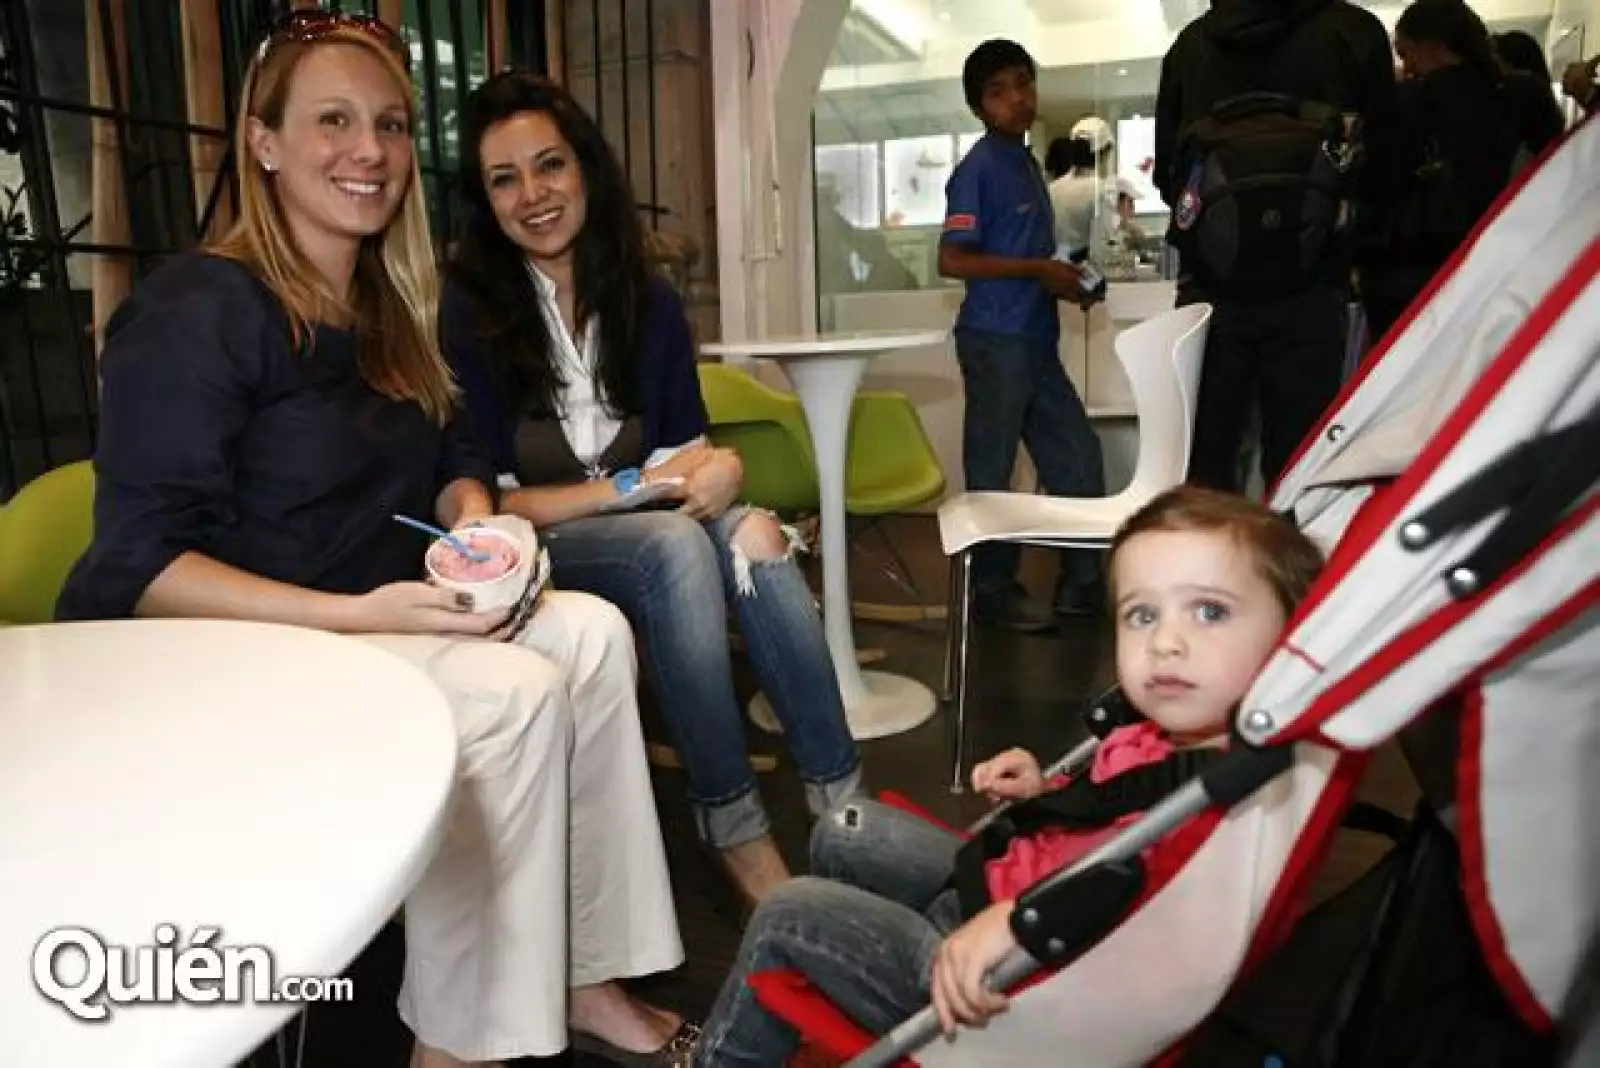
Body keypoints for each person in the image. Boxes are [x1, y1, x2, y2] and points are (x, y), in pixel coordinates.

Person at [54, 15, 691, 1067]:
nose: (371, 151)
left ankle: (583, 972)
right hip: (214, 654)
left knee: (587, 633)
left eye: (390, 124)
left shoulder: (391, 309)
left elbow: (451, 452)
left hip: (365, 628)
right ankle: (458, 1047)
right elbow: (141, 565)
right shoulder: (198, 308)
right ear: (262, 142)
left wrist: (480, 529)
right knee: (516, 693)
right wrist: (358, 614)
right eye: (334, 121)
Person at [692, 486, 1326, 1066]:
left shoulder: (1220, 795)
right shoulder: (1165, 735)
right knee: (843, 827)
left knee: (787, 913)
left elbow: (1139, 905)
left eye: (1210, 613)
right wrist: (1049, 795)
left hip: (1004, 986)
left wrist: (1019, 918)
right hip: (1001, 895)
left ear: (1290, 636)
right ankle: (845, 977)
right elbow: (1115, 814)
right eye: (1142, 615)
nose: (1166, 643)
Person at [438, 70, 863, 908]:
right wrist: (633, 486)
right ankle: (733, 827)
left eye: (549, 165)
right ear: (483, 201)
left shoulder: (647, 300)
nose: (533, 195)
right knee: (672, 546)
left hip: (648, 521)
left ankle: (844, 811)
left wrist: (725, 472)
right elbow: (494, 497)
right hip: (549, 539)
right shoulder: (470, 311)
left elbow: (692, 453)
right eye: (504, 179)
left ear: (586, 168)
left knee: (757, 541)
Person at [1154, 0, 1396, 493]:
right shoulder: (1353, 32)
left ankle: (1205, 569)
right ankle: (1295, 568)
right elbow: (1388, 164)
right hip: (1313, 285)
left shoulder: (1190, 47)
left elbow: (1169, 177)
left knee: (1209, 464)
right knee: (1301, 464)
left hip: (1212, 292)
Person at [939, 39, 1106, 634]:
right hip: (994, 340)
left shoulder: (1029, 166)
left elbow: (1024, 257)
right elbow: (952, 260)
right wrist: (1038, 271)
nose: (1017, 99)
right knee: (994, 466)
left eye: (1023, 83)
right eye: (998, 91)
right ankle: (991, 590)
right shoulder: (979, 168)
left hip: (1034, 338)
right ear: (979, 108)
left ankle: (1084, 583)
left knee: (1078, 454)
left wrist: (1065, 283)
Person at [1360, 0, 1566, 343]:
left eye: (1407, 52)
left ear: (1434, 46)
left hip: (1411, 274)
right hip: (1505, 267)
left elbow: (1377, 186)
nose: (1406, 65)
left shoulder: (1402, 102)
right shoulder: (1524, 94)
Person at [1045, 118, 1116, 265]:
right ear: (1103, 154)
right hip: (1080, 274)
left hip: (1053, 270)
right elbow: (1099, 250)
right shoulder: (1100, 190)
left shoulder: (1052, 188)